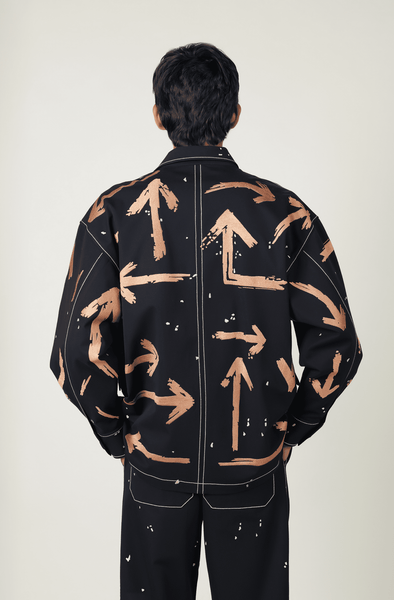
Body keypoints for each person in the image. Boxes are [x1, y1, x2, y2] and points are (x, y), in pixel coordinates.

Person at [50, 43, 362, 600]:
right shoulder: (287, 213)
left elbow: (77, 352)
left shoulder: (112, 214)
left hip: (154, 461)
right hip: (253, 461)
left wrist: (116, 433)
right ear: (235, 114)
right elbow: (337, 343)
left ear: (158, 115)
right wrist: (293, 426)